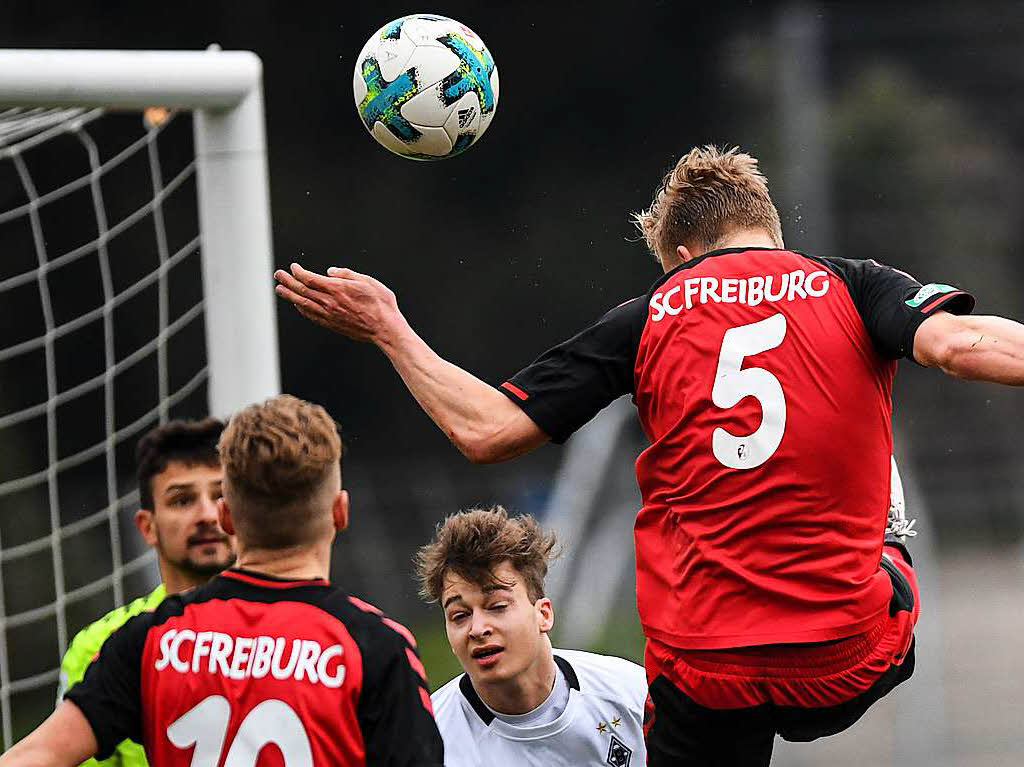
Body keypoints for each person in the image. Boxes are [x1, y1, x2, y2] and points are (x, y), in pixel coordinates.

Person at [274, 144, 1024, 764]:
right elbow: (960, 345)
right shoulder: (849, 283)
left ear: (684, 254)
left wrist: (388, 327)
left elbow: (487, 430)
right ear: (771, 232)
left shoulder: (649, 316)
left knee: (702, 684)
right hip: (845, 655)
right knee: (883, 531)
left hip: (705, 668)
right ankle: (889, 535)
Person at [1, 394, 444, 767]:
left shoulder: (152, 639)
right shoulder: (375, 646)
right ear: (341, 512)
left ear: (227, 516)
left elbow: (36, 755)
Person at [56, 417, 234, 767]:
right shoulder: (100, 645)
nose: (207, 515)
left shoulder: (300, 634)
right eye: (183, 500)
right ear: (147, 527)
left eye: (221, 496)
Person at [417, 506, 647, 767]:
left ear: (544, 615)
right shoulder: (427, 741)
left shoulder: (632, 695)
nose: (478, 628)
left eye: (497, 606)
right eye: (459, 615)